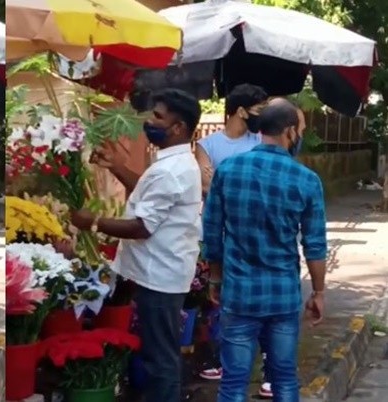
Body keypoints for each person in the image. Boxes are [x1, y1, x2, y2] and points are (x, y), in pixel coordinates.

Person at [70, 88, 203, 402]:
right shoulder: (173, 164)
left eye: (158, 116)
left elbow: (142, 226)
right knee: (160, 353)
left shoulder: (171, 170)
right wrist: (116, 165)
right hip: (162, 272)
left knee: (161, 359)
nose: (149, 120)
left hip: (159, 277)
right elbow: (148, 195)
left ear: (178, 128)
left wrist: (91, 221)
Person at [203, 99, 327, 402]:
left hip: (240, 294)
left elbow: (212, 231)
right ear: (288, 132)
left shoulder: (228, 170)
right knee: (284, 378)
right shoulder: (307, 180)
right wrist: (319, 293)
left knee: (232, 382)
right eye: (300, 130)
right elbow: (314, 244)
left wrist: (215, 279)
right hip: (282, 296)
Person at [194, 84, 272, 395]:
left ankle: (268, 369)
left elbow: (262, 188)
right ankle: (225, 360)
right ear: (241, 110)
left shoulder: (261, 142)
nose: (262, 116)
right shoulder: (207, 143)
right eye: (259, 109)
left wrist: (223, 184)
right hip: (218, 235)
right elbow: (203, 184)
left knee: (262, 304)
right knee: (221, 302)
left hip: (255, 237)